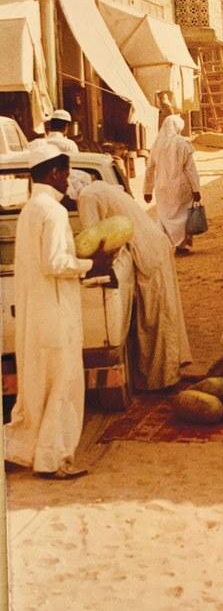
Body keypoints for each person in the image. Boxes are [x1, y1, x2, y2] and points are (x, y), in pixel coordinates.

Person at [4, 143, 110, 479]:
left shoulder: (30, 209)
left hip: (37, 317)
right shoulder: (53, 211)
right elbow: (55, 262)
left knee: (38, 389)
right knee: (63, 387)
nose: (68, 180)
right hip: (55, 316)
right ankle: (55, 460)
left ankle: (21, 450)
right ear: (54, 172)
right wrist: (92, 263)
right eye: (65, 173)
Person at [67, 171, 193, 391]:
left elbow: (94, 240)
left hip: (148, 252)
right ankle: (165, 375)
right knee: (161, 313)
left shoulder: (87, 197)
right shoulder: (98, 188)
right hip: (153, 244)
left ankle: (164, 379)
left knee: (156, 318)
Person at [144, 115, 201, 252]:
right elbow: (190, 169)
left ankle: (163, 245)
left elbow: (149, 168)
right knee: (182, 215)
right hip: (181, 186)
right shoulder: (183, 143)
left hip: (162, 187)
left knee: (164, 216)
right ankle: (181, 245)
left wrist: (147, 190)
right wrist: (196, 189)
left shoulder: (156, 144)